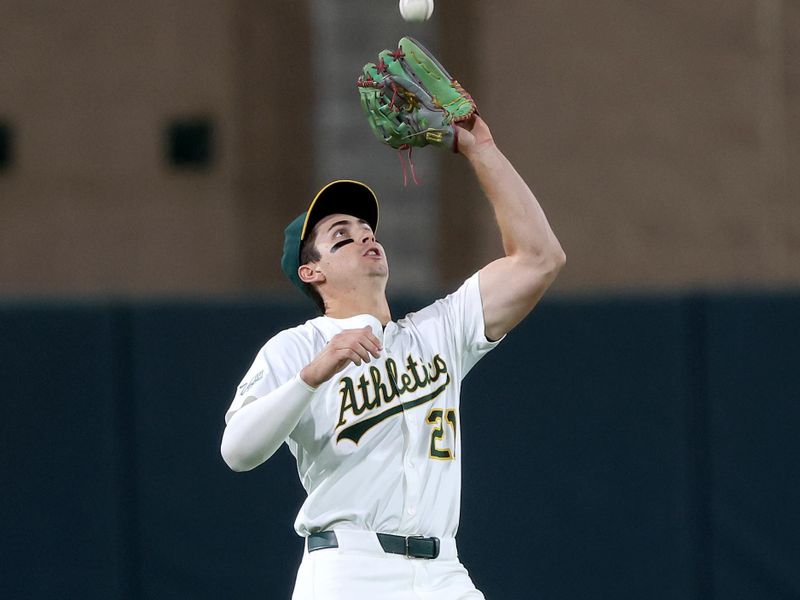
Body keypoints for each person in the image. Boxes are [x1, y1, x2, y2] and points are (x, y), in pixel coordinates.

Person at [220, 116, 565, 599]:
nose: (363, 235)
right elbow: (236, 452)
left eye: (365, 227)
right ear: (310, 271)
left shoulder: (439, 330)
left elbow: (540, 258)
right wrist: (314, 374)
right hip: (348, 568)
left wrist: (481, 150)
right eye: (342, 234)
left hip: (444, 571)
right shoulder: (297, 348)